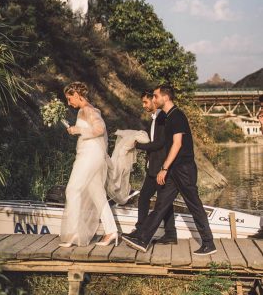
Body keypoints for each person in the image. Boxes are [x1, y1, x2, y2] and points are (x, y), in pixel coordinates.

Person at [123, 85, 217, 255]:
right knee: (161, 205)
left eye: (156, 96)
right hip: (174, 169)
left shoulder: (177, 116)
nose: (154, 99)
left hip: (184, 169)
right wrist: (166, 168)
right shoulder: (167, 117)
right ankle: (143, 239)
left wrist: (164, 168)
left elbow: (177, 143)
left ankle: (209, 243)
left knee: (194, 205)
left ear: (165, 97)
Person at [58, 82, 118, 248]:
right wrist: (77, 129)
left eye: (70, 99)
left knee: (72, 190)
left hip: (89, 156)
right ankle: (111, 231)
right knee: (97, 193)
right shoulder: (87, 110)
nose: (69, 103)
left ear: (78, 95)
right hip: (91, 155)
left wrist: (77, 130)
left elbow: (99, 129)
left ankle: (74, 232)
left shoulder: (87, 110)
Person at [125, 90, 177, 245]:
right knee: (149, 199)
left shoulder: (163, 118)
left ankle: (160, 233)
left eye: (146, 102)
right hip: (152, 167)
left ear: (155, 101)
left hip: (161, 167)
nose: (144, 105)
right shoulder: (154, 119)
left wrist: (138, 145)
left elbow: (160, 143)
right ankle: (167, 233)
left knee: (160, 202)